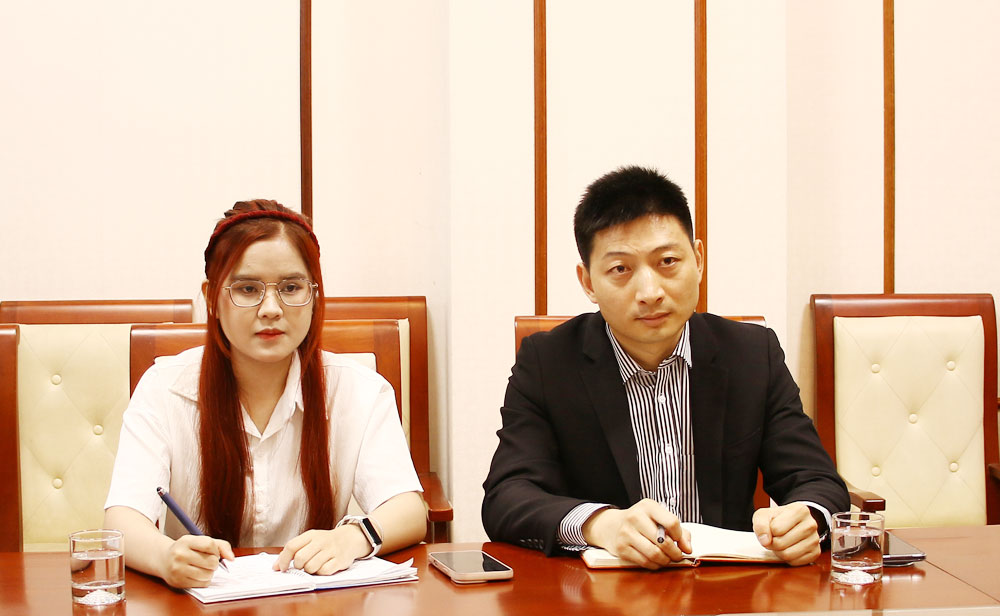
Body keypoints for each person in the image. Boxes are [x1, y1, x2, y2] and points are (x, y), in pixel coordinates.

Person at [482, 166, 849, 568]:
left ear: (699, 259)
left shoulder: (751, 354)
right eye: (620, 269)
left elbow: (817, 481)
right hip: (604, 593)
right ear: (587, 282)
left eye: (668, 261)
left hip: (728, 588)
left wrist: (807, 518)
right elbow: (507, 496)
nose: (650, 292)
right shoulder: (547, 362)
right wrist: (600, 524)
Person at [104, 200, 426, 588]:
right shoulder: (164, 387)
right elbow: (123, 518)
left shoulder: (360, 389)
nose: (271, 309)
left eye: (291, 287)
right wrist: (165, 557)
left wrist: (351, 538)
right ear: (211, 298)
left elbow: (409, 509)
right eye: (247, 289)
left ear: (315, 295)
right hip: (201, 602)